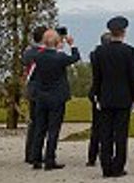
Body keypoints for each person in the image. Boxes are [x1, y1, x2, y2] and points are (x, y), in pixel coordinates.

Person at [91, 16, 134, 178]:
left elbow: (97, 77)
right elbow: (132, 76)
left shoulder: (99, 52)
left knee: (105, 133)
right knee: (120, 133)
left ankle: (106, 166)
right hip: (123, 97)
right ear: (123, 32)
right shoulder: (128, 51)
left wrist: (96, 94)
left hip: (105, 96)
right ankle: (118, 166)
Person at [28, 29, 82, 170]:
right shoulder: (60, 57)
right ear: (58, 42)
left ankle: (36, 158)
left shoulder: (38, 57)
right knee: (53, 129)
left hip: (41, 96)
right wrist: (72, 45)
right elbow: (75, 57)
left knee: (40, 128)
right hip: (57, 96)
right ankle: (50, 158)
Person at [22, 25, 48, 165]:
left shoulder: (28, 52)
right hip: (41, 89)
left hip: (32, 89)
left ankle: (30, 152)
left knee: (34, 122)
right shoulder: (41, 52)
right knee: (40, 123)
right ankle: (35, 153)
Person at [87, 32, 112, 167]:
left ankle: (92, 156)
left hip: (97, 91)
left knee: (96, 126)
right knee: (108, 127)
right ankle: (106, 153)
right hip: (106, 92)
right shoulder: (106, 56)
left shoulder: (94, 54)